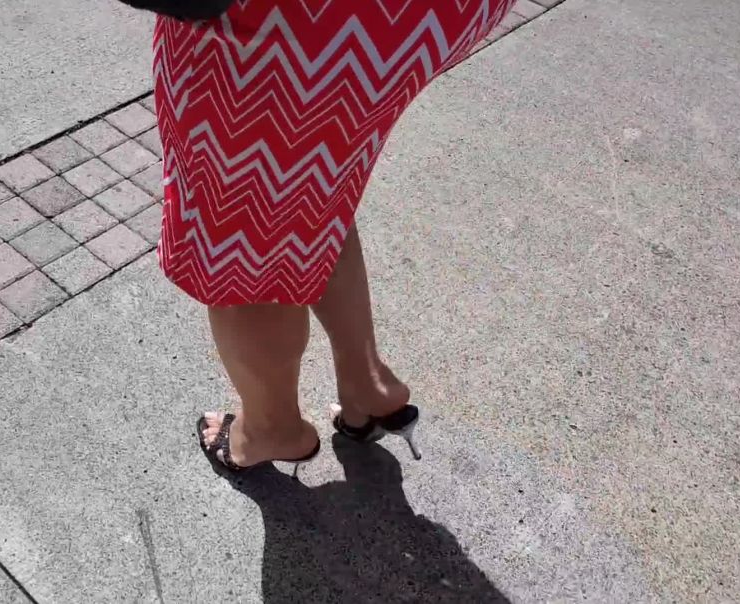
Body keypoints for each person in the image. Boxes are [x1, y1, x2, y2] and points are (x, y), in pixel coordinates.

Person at [151, 0, 516, 470]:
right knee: (306, 190)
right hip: (418, 17)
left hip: (290, 22)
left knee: (242, 240)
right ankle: (367, 382)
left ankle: (271, 429)